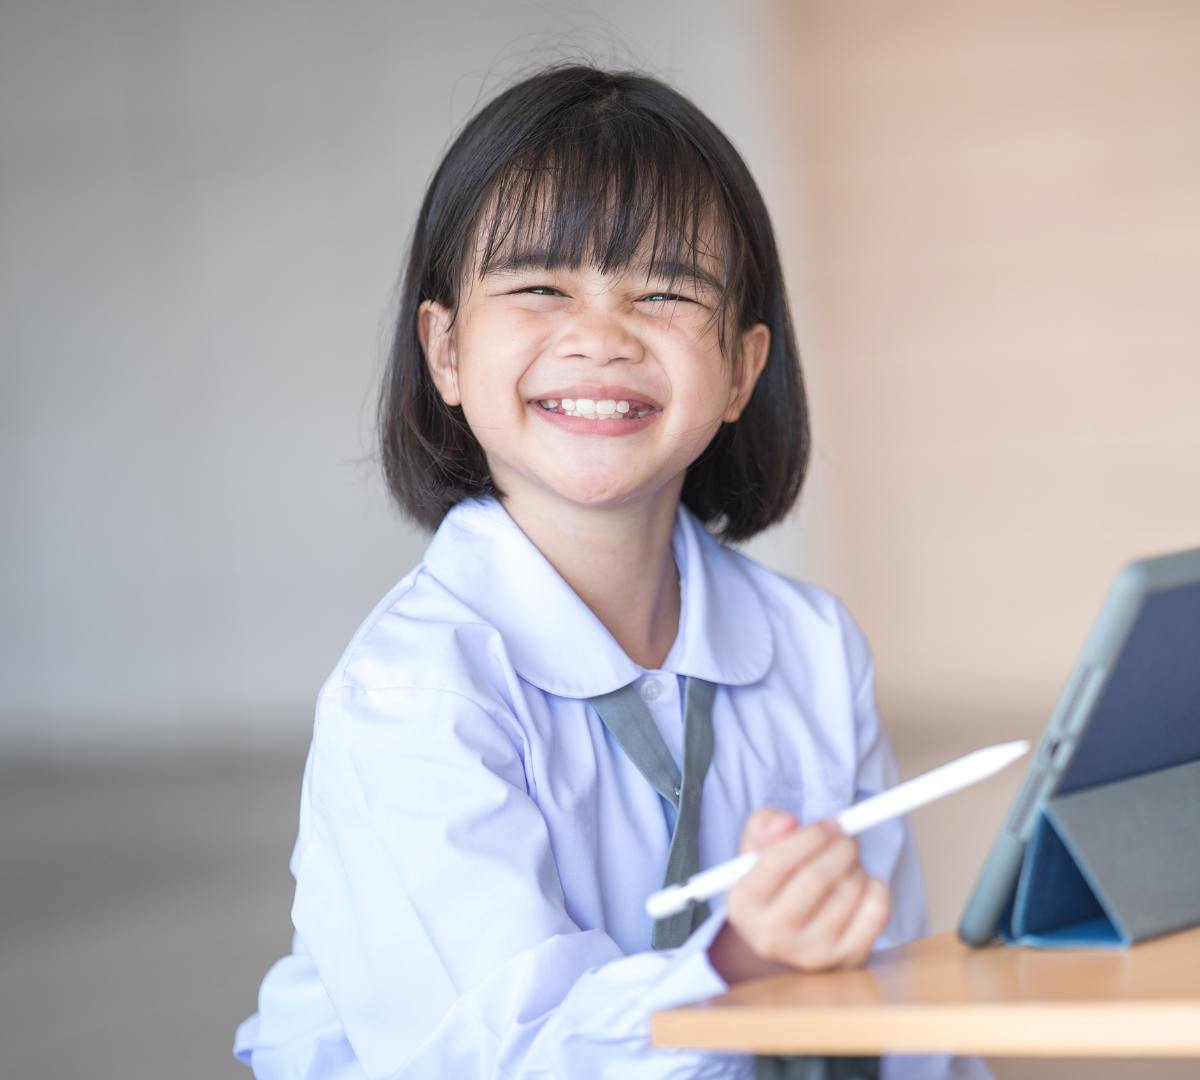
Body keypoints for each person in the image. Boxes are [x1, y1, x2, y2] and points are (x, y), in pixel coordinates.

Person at [232, 62, 990, 1078]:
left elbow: (895, 1016)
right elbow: (495, 1057)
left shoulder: (810, 647)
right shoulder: (412, 696)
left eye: (667, 292)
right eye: (541, 288)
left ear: (741, 371)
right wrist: (737, 967)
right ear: (445, 350)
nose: (599, 339)